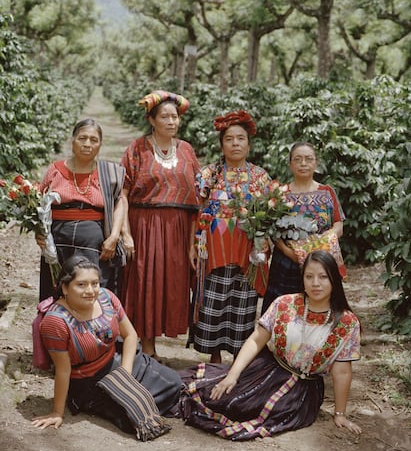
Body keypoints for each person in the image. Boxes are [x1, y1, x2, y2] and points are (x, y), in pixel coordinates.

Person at [176, 250, 362, 441]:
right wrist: (232, 375)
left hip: (303, 389)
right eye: (309, 276)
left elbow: (342, 372)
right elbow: (256, 340)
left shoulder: (346, 323)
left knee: (244, 407)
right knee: (218, 393)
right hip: (266, 369)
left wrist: (340, 414)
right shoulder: (285, 304)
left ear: (334, 278)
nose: (315, 283)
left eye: (323, 277)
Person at [31, 255, 182, 438]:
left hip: (119, 363)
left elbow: (130, 335)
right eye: (81, 285)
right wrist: (57, 412)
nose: (90, 290)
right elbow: (63, 370)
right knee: (132, 418)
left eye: (95, 283)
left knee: (174, 384)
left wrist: (125, 375)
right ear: (65, 287)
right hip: (90, 382)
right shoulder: (55, 322)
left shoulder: (106, 297)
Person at [120, 90, 199, 359]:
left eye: (174, 116)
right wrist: (126, 233)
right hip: (145, 226)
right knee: (146, 281)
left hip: (178, 228)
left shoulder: (187, 150)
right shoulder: (136, 149)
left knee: (171, 283)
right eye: (164, 116)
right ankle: (148, 347)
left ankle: (160, 341)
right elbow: (123, 192)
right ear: (151, 120)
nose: (171, 121)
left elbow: (196, 196)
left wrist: (192, 242)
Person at [189, 110, 271, 364]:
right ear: (221, 144)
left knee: (243, 304)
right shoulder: (208, 175)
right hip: (213, 250)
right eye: (229, 139)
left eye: (241, 139)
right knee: (213, 301)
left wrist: (266, 240)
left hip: (249, 251)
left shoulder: (261, 177)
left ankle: (239, 359)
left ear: (248, 143)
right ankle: (214, 357)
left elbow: (268, 215)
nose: (235, 143)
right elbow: (197, 212)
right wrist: (192, 246)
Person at [36, 118, 126, 301]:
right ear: (73, 141)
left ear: (100, 145)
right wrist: (40, 233)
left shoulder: (109, 173)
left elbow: (120, 202)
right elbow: (38, 204)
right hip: (57, 240)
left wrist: (114, 236)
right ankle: (56, 326)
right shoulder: (55, 170)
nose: (87, 144)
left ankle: (92, 329)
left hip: (94, 242)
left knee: (92, 289)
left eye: (94, 140)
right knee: (57, 287)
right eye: (82, 138)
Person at [262, 141, 345, 313]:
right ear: (290, 164)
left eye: (308, 159)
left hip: (321, 262)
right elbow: (273, 231)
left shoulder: (327, 192)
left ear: (316, 162)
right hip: (287, 261)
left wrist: (322, 244)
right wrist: (288, 252)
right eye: (298, 159)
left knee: (321, 310)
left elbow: (338, 225)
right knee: (285, 311)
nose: (303, 163)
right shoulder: (280, 193)